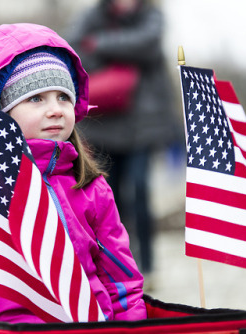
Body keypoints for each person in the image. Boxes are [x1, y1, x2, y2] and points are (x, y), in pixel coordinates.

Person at [0, 23, 147, 324]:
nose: (56, 110)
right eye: (36, 98)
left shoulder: (92, 188)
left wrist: (134, 329)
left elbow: (121, 280)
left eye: (63, 96)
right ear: (2, 113)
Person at [64, 0, 181, 279]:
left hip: (142, 125)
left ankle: (148, 265)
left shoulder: (152, 16)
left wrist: (100, 43)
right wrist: (122, 50)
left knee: (141, 191)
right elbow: (75, 50)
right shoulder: (91, 16)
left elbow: (148, 45)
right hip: (103, 125)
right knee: (108, 200)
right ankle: (116, 266)